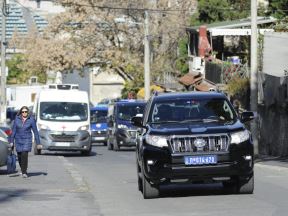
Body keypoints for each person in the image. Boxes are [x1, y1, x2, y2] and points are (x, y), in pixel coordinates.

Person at [9, 106, 41, 178]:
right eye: (23, 112)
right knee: (20, 156)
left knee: (24, 155)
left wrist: (38, 143)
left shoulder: (31, 120)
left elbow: (35, 132)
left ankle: (24, 172)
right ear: (21, 112)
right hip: (18, 140)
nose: (24, 113)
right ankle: (22, 169)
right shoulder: (17, 119)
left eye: (25, 112)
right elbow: (13, 131)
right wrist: (11, 141)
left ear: (28, 112)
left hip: (27, 139)